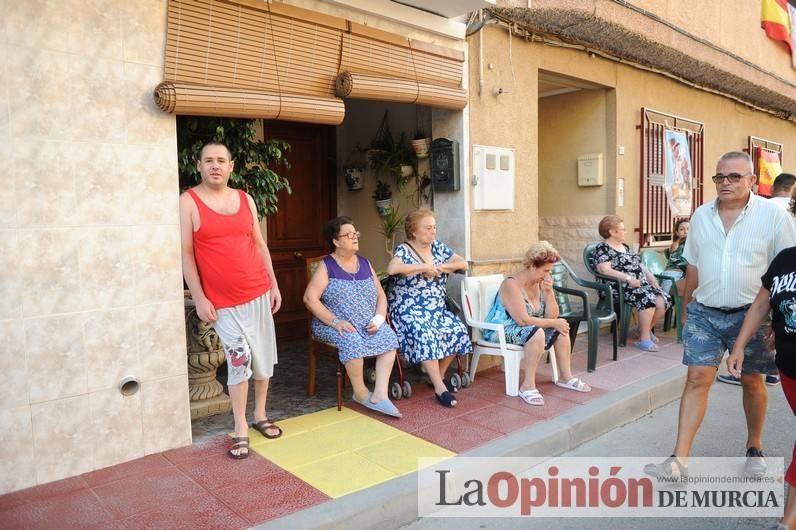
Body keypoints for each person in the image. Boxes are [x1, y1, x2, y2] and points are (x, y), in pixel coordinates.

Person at [644, 151, 796, 481]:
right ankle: (679, 459)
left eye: (734, 177)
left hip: (753, 315)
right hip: (705, 312)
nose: (725, 183)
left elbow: (786, 269)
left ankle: (754, 448)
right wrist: (686, 309)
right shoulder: (700, 216)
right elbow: (693, 265)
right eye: (719, 177)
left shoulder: (773, 216)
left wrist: (778, 322)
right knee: (697, 378)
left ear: (752, 180)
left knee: (752, 380)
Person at [180, 141, 283, 460]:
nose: (215, 165)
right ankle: (240, 428)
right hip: (222, 303)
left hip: (258, 292)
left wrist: (274, 285)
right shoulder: (188, 201)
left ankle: (260, 415)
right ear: (198, 165)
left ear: (231, 166)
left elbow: (260, 245)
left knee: (263, 358)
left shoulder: (245, 199)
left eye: (221, 160)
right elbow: (185, 253)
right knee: (240, 362)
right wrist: (198, 297)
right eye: (208, 160)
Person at [726, 234, 796, 530]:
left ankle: (787, 522)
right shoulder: (785, 259)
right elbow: (761, 305)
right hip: (790, 369)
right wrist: (740, 345)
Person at [303, 216, 402, 418]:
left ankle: (381, 394)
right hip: (332, 324)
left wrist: (378, 319)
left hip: (366, 322)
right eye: (348, 235)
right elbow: (309, 298)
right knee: (352, 340)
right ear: (336, 241)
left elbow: (381, 295)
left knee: (389, 337)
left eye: (355, 233)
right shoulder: (327, 266)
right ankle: (360, 392)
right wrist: (335, 321)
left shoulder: (365, 263)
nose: (354, 237)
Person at [482, 242, 591, 406]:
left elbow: (553, 316)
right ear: (532, 266)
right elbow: (522, 320)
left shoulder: (540, 283)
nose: (548, 275)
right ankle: (527, 385)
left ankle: (565, 377)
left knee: (561, 328)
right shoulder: (511, 284)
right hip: (501, 330)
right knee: (539, 332)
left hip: (529, 329)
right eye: (545, 271)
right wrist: (553, 322)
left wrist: (549, 294)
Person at [386, 209, 472, 408]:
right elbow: (392, 269)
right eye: (428, 228)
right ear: (414, 232)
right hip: (408, 309)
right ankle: (440, 388)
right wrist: (423, 267)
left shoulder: (438, 248)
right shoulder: (404, 250)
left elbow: (463, 263)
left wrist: (442, 268)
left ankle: (438, 376)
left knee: (457, 330)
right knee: (424, 333)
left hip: (436, 308)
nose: (433, 231)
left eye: (434, 227)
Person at [592, 215, 672, 352]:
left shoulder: (625, 247)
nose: (625, 232)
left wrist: (651, 277)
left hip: (638, 284)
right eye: (622, 229)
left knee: (663, 300)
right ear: (612, 231)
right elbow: (603, 269)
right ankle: (644, 338)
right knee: (647, 298)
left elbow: (639, 264)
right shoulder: (603, 248)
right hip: (618, 287)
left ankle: (642, 330)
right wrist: (628, 279)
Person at [659, 218, 689, 295]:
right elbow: (678, 261)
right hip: (673, 275)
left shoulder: (688, 243)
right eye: (682, 229)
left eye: (688, 229)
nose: (686, 232)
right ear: (677, 233)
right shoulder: (676, 244)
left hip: (681, 275)